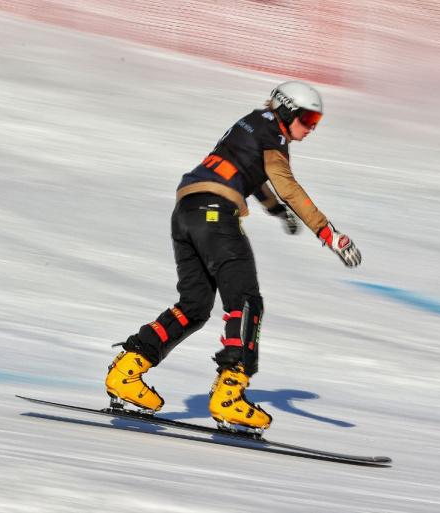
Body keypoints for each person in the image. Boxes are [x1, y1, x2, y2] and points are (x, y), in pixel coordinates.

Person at [104, 81, 362, 433]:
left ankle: (126, 371)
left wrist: (275, 211)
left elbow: (252, 176)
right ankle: (230, 393)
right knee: (245, 301)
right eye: (309, 119)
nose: (312, 128)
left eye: (316, 121)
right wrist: (328, 233)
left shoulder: (252, 124)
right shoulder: (273, 135)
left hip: (186, 212)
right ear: (287, 110)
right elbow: (287, 186)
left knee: (194, 306)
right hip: (216, 214)